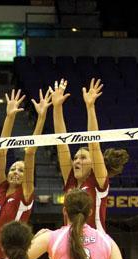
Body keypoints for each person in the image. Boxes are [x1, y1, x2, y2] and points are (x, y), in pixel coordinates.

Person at [0, 88, 52, 259]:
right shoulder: (0, 188)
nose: (15, 172)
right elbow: (1, 151)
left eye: (21, 170)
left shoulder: (25, 194)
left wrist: (41, 117)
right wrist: (9, 116)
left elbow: (30, 152)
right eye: (13, 168)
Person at [52, 78, 128, 233]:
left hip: (94, 245)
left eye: (83, 158)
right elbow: (61, 143)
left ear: (94, 164)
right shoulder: (71, 181)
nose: (76, 161)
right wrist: (57, 107)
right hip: (70, 244)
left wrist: (90, 106)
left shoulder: (98, 180)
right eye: (75, 158)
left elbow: (94, 143)